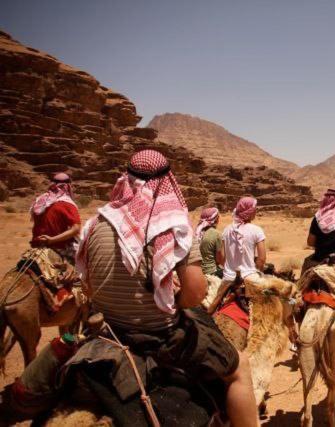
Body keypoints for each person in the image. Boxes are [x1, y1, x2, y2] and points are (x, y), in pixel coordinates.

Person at [76, 150, 257, 427]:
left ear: (127, 177)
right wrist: (168, 297)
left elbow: (88, 286)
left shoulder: (96, 223)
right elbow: (196, 294)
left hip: (108, 329)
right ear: (166, 182)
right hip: (160, 335)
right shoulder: (172, 225)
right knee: (240, 368)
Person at [209, 196, 266, 312]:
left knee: (213, 306)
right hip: (250, 278)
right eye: (255, 209)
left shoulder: (226, 230)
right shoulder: (256, 230)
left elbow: (221, 258)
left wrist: (230, 267)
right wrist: (257, 271)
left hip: (228, 279)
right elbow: (262, 259)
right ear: (250, 212)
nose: (256, 211)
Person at [30, 173, 81, 262]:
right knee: (84, 260)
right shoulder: (67, 204)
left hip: (37, 245)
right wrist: (51, 240)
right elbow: (76, 229)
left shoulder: (40, 201)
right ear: (68, 186)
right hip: (58, 247)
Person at [196, 207, 225, 308]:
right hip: (211, 271)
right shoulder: (216, 234)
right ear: (216, 219)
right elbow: (220, 260)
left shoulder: (196, 232)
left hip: (197, 272)